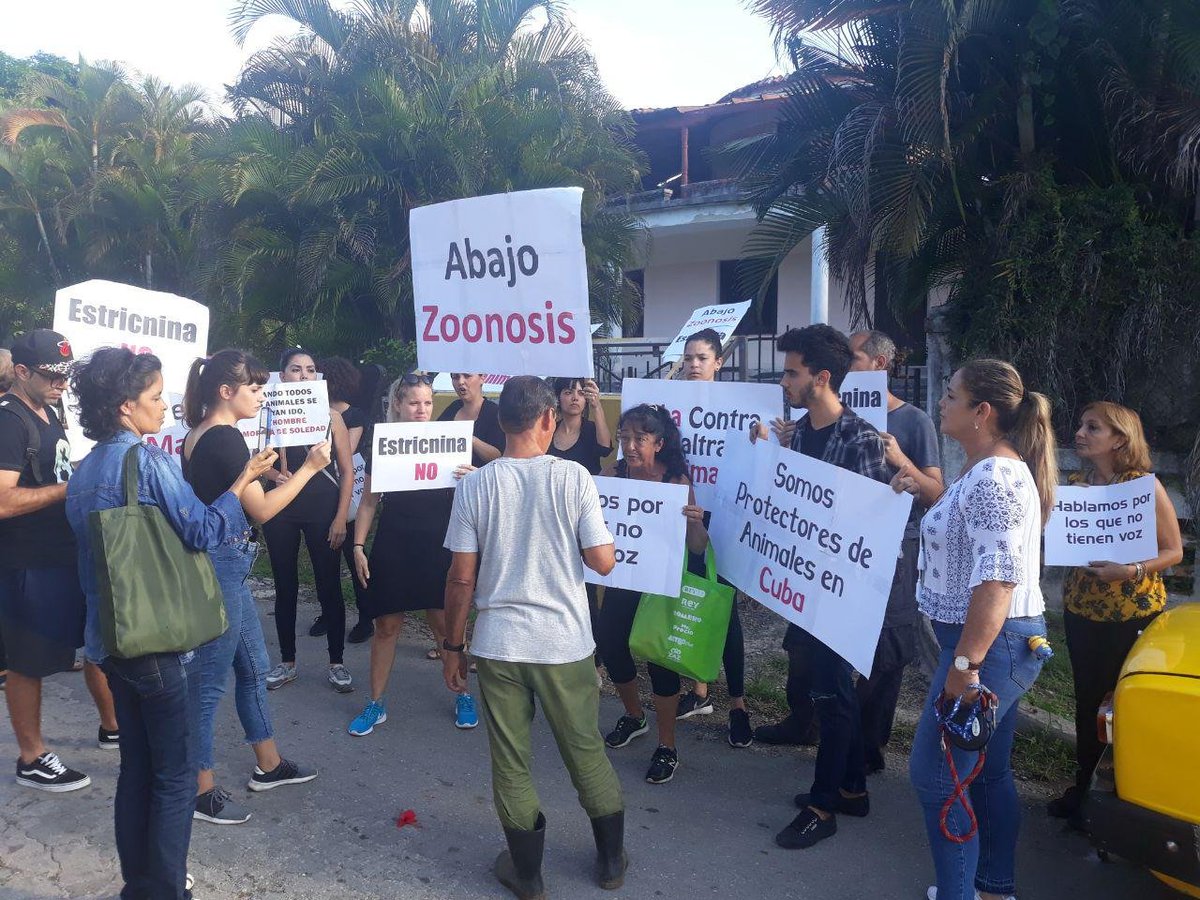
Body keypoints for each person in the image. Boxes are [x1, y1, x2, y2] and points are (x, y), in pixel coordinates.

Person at [65, 347, 277, 900]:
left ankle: (139, 886)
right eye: (155, 399)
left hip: (110, 640)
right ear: (123, 407)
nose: (165, 408)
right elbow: (204, 531)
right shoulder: (148, 462)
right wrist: (242, 482)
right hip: (156, 642)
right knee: (176, 776)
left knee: (137, 770)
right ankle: (163, 892)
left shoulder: (84, 471)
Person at [442, 375, 626, 898]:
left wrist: (452, 647)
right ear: (548, 420)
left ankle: (527, 875)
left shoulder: (475, 485)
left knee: (510, 760)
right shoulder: (574, 479)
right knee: (585, 749)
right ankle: (611, 861)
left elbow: (460, 578)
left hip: (498, 646)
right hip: (565, 644)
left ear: (500, 423)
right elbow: (603, 562)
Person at [891, 359, 1055, 900]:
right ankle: (992, 888)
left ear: (981, 412)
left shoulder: (996, 476)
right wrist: (922, 489)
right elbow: (971, 538)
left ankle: (962, 894)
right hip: (993, 642)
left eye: (952, 395)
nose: (941, 401)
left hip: (986, 646)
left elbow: (998, 578)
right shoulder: (984, 471)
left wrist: (964, 666)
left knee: (936, 778)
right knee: (985, 774)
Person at [749, 324, 888, 850]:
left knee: (833, 695)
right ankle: (852, 788)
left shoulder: (861, 439)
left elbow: (865, 528)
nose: (783, 381)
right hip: (806, 590)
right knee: (824, 689)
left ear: (822, 377)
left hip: (841, 595)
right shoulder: (801, 432)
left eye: (792, 372)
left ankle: (822, 805)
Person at [181, 350, 323, 826]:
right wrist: (308, 469)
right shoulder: (224, 439)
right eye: (255, 388)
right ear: (226, 391)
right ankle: (200, 791)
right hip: (221, 563)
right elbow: (261, 511)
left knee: (254, 667)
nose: (262, 396)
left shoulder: (206, 433)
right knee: (207, 684)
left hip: (226, 562)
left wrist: (264, 474)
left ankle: (269, 763)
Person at [1046, 402, 1182, 824]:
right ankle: (1084, 790)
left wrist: (1131, 570)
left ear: (1120, 439)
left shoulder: (1144, 487)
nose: (1081, 433)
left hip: (1133, 616)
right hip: (1082, 613)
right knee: (1088, 704)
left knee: (1126, 705)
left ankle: (1131, 797)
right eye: (1083, 425)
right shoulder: (1074, 487)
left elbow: (1173, 551)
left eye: (1094, 428)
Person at [0, 329, 118, 793]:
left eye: (65, 375)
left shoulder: (49, 408)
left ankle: (113, 727)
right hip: (27, 560)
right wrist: (71, 490)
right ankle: (31, 757)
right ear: (22, 372)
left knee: (95, 641)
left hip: (63, 551)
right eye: (51, 376)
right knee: (27, 662)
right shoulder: (9, 421)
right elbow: (3, 502)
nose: (61, 384)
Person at [347, 372, 478, 737]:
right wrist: (358, 546)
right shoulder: (383, 444)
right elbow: (369, 501)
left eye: (427, 403)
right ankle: (376, 702)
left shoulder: (449, 441)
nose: (422, 410)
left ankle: (462, 692)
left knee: (444, 624)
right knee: (386, 625)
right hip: (395, 542)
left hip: (440, 543)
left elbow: (475, 492)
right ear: (398, 405)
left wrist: (474, 478)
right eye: (414, 403)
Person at [597, 404, 709, 784]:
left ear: (659, 443)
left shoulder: (676, 482)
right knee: (611, 647)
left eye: (639, 439)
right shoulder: (612, 475)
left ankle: (667, 745)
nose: (629, 446)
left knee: (660, 663)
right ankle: (634, 715)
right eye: (624, 437)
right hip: (620, 579)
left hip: (659, 588)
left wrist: (695, 522)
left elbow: (697, 548)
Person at [848, 330, 943, 772]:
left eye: (851, 358)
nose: (844, 366)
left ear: (879, 365)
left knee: (887, 647)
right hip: (839, 542)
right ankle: (811, 724)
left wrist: (900, 459)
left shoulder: (914, 421)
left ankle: (870, 747)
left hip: (894, 546)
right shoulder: (836, 416)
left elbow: (935, 492)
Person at [670, 329, 753, 747]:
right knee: (691, 598)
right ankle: (700, 690)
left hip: (727, 517)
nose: (694, 365)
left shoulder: (740, 408)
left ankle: (738, 704)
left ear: (718, 362)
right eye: (688, 358)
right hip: (685, 513)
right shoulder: (672, 406)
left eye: (702, 358)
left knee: (725, 611)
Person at [262, 348, 355, 692]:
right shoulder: (266, 413)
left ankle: (337, 662)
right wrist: (273, 474)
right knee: (284, 585)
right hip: (281, 507)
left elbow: (346, 472)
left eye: (310, 369)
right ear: (282, 375)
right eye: (296, 369)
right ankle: (287, 662)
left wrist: (341, 518)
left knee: (328, 584)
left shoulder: (331, 417)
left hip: (322, 506)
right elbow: (253, 460)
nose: (304, 375)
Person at [546, 377, 612, 674]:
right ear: (558, 397)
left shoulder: (588, 430)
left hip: (584, 520)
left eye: (579, 393)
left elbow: (605, 447)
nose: (574, 397)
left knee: (586, 591)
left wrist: (598, 406)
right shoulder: (549, 431)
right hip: (552, 519)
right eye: (567, 391)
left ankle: (595, 660)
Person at [309, 356, 373, 645]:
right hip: (320, 495)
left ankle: (365, 616)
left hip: (345, 492)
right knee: (324, 561)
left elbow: (348, 451)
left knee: (353, 555)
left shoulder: (354, 416)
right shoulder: (310, 413)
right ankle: (327, 613)